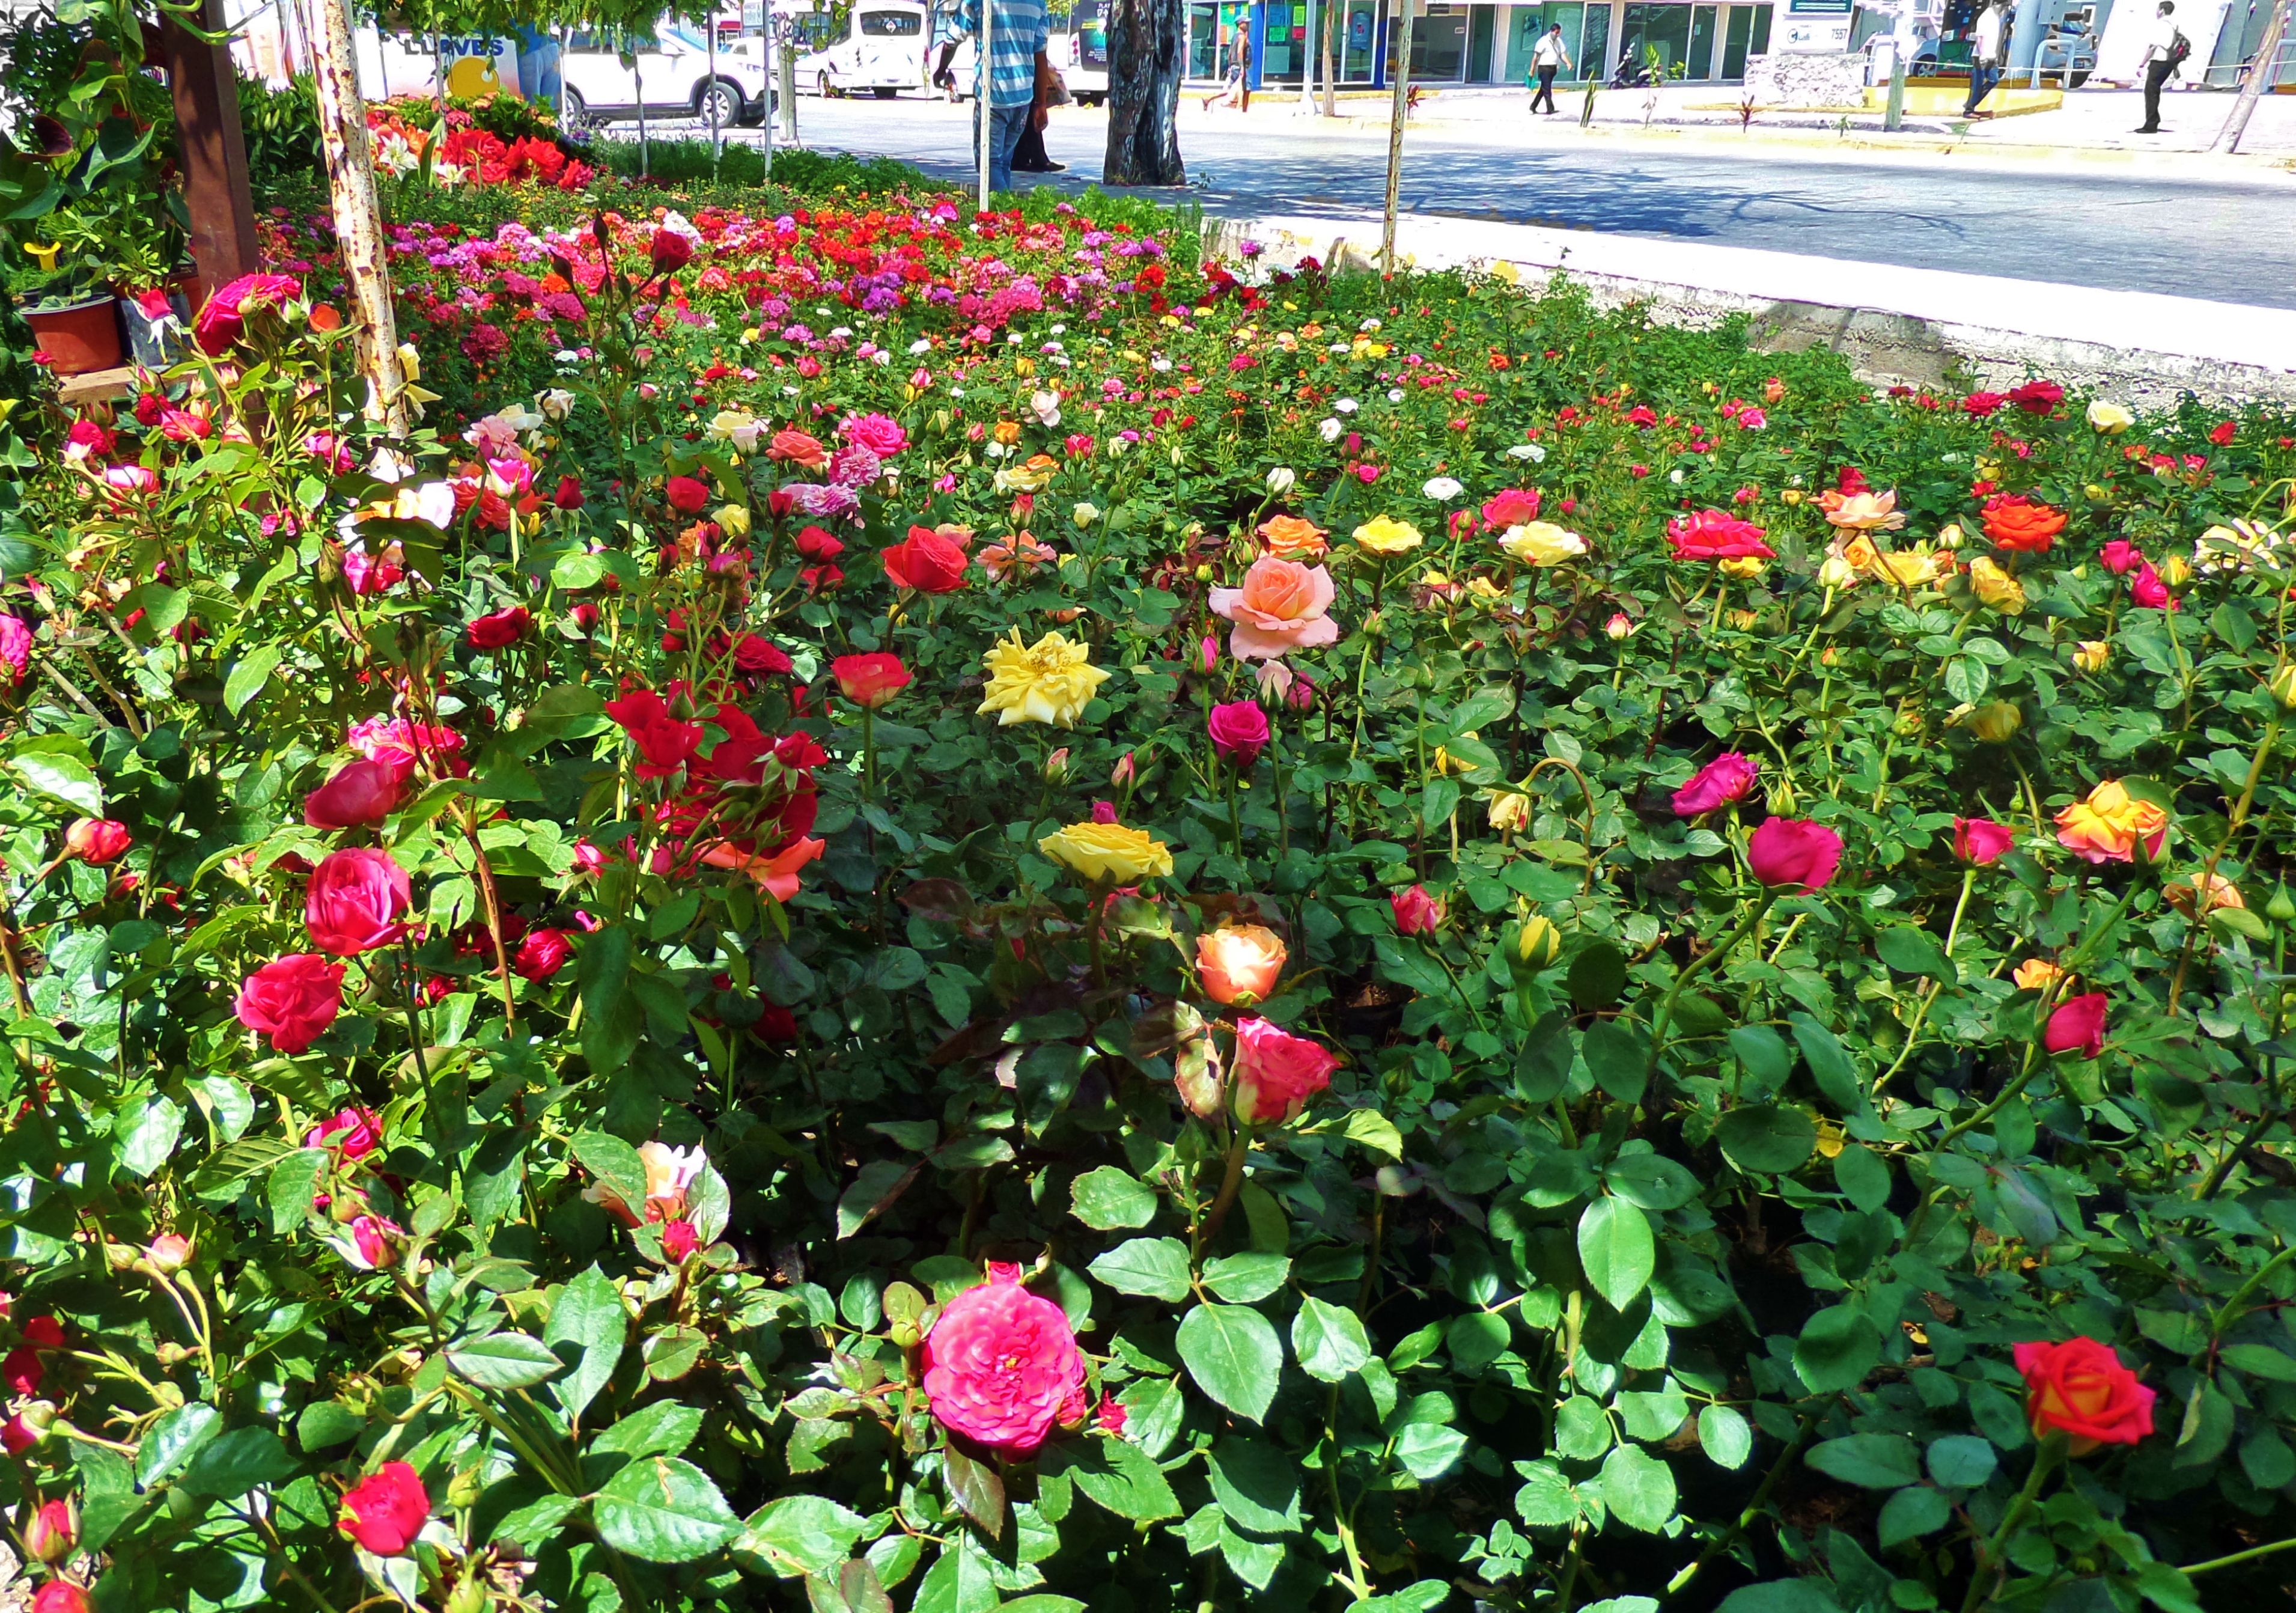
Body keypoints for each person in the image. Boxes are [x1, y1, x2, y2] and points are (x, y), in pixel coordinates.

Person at [953, 0, 1052, 194]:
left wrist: (940, 70)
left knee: (989, 164)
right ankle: (1005, 218)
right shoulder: (1038, 3)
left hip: (993, 95)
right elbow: (1040, 54)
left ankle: (1002, 216)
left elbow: (954, 34)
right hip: (1023, 97)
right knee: (1004, 162)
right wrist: (1041, 103)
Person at [2134, 0, 2182, 132]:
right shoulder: (2174, 25)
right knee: (2154, 90)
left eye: (2158, 9)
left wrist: (2142, 64)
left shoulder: (2161, 25)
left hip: (2159, 61)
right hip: (2169, 62)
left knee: (2150, 91)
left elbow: (2153, 46)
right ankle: (2153, 121)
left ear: (2161, 10)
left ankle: (2151, 124)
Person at [1963, 0, 2004, 117]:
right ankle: (1969, 110)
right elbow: (1980, 38)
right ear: (1997, 5)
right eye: (2003, 7)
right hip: (1980, 57)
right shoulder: (1986, 17)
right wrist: (1982, 55)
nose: (2003, 10)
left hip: (1991, 56)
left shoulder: (1996, 18)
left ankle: (1970, 103)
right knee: (1978, 84)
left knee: (1994, 80)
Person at [1204, 20, 1251, 111]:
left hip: (1234, 66)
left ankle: (1208, 99)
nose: (1248, 25)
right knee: (1247, 88)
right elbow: (1239, 52)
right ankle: (1244, 111)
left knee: (1228, 90)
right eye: (1246, 23)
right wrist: (1242, 68)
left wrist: (1230, 66)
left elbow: (1230, 53)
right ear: (1240, 24)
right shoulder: (1242, 37)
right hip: (1239, 66)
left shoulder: (1235, 36)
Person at [1529, 23, 1572, 114]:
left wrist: (1568, 63)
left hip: (1553, 68)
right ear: (1552, 31)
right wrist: (1532, 70)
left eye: (1559, 33)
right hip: (1544, 68)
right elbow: (1535, 57)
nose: (1558, 35)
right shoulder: (1543, 41)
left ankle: (1533, 106)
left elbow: (1562, 54)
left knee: (1544, 89)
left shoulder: (1559, 41)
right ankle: (1550, 109)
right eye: (1556, 33)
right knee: (1547, 89)